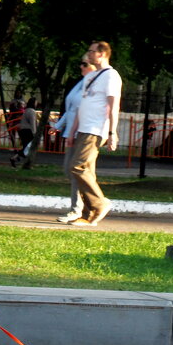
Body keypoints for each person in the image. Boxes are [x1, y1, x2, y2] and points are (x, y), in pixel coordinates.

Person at [66, 41, 121, 226]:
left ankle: (100, 204)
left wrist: (113, 132)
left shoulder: (111, 76)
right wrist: (72, 131)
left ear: (102, 54)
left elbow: (114, 106)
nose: (88, 55)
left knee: (78, 167)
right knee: (86, 171)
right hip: (83, 129)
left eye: (91, 51)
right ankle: (88, 215)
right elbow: (82, 106)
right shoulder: (92, 76)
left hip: (95, 129)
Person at [53, 57, 96, 222]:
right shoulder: (81, 83)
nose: (81, 66)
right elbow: (71, 109)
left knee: (77, 172)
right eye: (81, 63)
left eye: (85, 64)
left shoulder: (94, 84)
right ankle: (93, 203)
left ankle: (77, 210)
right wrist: (58, 126)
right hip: (72, 132)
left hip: (85, 133)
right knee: (69, 170)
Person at [11, 97, 37, 167]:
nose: (37, 104)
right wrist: (34, 133)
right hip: (28, 131)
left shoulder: (26, 110)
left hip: (23, 130)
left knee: (26, 147)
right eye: (36, 102)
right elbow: (32, 123)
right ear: (34, 103)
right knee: (28, 147)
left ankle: (15, 158)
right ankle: (26, 162)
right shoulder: (32, 111)